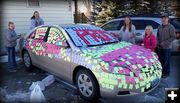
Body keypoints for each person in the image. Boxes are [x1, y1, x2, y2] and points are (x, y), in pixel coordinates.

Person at [157, 13, 176, 78]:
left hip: (167, 47)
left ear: (168, 19)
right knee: (161, 60)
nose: (164, 19)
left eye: (165, 18)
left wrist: (164, 43)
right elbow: (158, 35)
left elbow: (173, 37)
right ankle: (162, 72)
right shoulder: (160, 26)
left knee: (166, 60)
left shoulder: (171, 27)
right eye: (162, 18)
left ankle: (167, 73)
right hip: (160, 47)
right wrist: (158, 42)